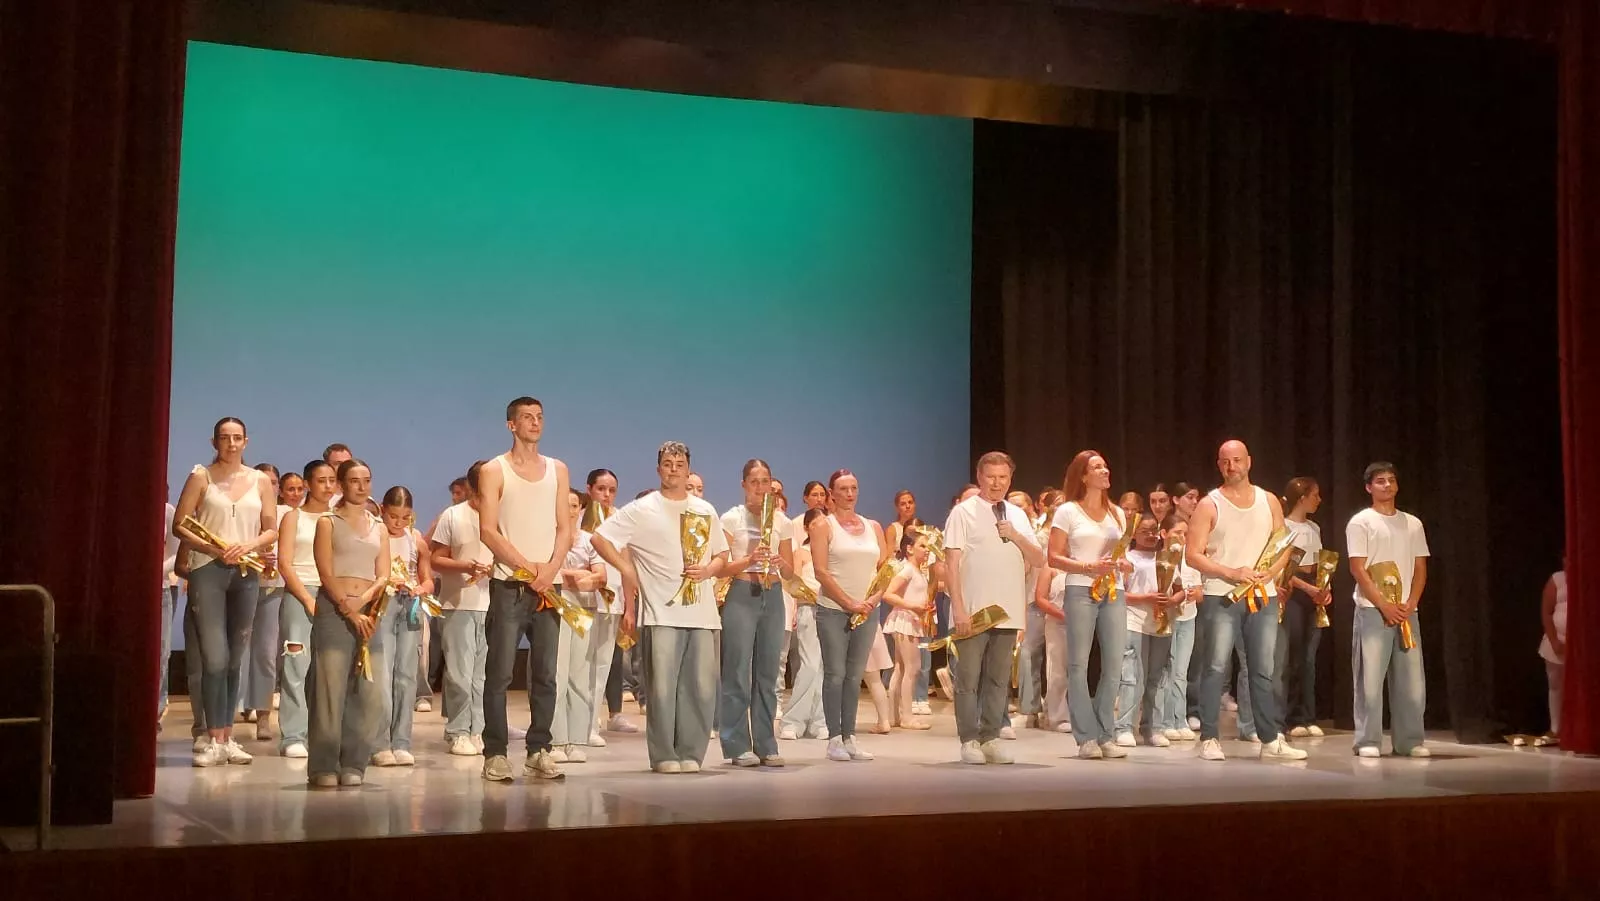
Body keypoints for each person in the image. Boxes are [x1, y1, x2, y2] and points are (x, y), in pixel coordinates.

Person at [592, 441, 730, 774]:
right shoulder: (643, 509)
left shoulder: (704, 509)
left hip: (702, 614)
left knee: (701, 688)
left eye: (679, 464)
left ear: (688, 469)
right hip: (661, 612)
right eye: (668, 464)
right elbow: (600, 538)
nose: (673, 470)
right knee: (663, 688)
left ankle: (691, 752)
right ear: (658, 470)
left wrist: (709, 570)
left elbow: (722, 554)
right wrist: (626, 570)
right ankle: (664, 753)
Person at [1186, 440, 1305, 762]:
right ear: (1219, 465)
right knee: (1215, 666)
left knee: (1264, 669)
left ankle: (1270, 738)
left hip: (1262, 596)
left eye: (1237, 460)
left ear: (1249, 462)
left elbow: (1283, 544)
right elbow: (1193, 554)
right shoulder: (1209, 504)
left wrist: (1272, 573)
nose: (1232, 466)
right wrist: (1231, 572)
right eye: (1226, 461)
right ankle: (1209, 737)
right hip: (1220, 595)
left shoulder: (1269, 500)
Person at [477, 396, 574, 783]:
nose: (535, 423)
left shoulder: (557, 469)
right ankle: (496, 753)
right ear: (511, 425)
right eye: (527, 417)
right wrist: (526, 568)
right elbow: (488, 530)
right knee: (500, 673)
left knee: (546, 673)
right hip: (509, 586)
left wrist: (550, 569)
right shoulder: (494, 469)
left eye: (539, 417)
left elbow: (565, 528)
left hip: (548, 586)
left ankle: (539, 750)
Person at [173, 417, 278, 767]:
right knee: (215, 657)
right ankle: (212, 736)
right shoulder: (201, 476)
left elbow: (271, 530)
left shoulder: (260, 481)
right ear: (214, 442)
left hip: (247, 571)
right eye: (224, 438)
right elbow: (180, 524)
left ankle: (228, 737)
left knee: (235, 657)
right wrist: (215, 549)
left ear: (246, 442)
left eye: (237, 438)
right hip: (208, 569)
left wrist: (247, 546)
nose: (231, 444)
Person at [946, 452, 1043, 764]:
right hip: (974, 610)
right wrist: (958, 608)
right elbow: (951, 563)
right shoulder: (963, 512)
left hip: (1008, 611)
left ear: (1010, 479)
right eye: (991, 477)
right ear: (979, 477)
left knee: (999, 680)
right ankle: (969, 740)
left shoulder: (1017, 515)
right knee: (968, 678)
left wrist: (1014, 535)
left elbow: (1038, 559)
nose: (997, 483)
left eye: (1003, 477)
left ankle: (990, 737)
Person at [307, 459, 390, 787]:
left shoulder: (378, 526)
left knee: (369, 690)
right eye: (354, 481)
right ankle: (324, 765)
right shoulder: (328, 522)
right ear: (341, 485)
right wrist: (347, 607)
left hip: (370, 610)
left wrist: (364, 601)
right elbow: (325, 571)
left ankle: (354, 762)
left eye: (366, 480)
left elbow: (383, 573)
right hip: (334, 609)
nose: (362, 486)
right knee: (329, 689)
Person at [1049, 450, 1133, 760]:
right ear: (1083, 476)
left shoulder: (1117, 513)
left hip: (1114, 590)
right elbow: (1053, 557)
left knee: (1114, 663)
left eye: (1105, 466)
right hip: (1081, 589)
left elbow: (1122, 553)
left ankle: (1105, 732)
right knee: (1078, 664)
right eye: (1097, 467)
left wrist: (1124, 564)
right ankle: (1086, 736)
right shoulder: (1068, 511)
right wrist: (1087, 567)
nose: (1104, 471)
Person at [1347, 461, 1430, 758]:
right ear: (1369, 487)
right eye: (1380, 481)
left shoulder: (1413, 523)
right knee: (1370, 679)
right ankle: (1368, 741)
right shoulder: (1361, 522)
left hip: (1406, 611)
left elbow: (1420, 568)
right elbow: (1358, 568)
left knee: (1411, 681)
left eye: (1391, 480)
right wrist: (1383, 604)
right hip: (1373, 609)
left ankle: (1409, 740)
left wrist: (1412, 602)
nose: (1387, 485)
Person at [718, 459, 794, 767]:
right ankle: (736, 744)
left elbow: (790, 572)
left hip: (772, 595)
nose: (760, 488)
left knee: (768, 671)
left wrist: (779, 562)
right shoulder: (731, 519)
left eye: (765, 482)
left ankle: (766, 742)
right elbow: (721, 567)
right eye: (754, 482)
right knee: (737, 669)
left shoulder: (781, 521)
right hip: (742, 593)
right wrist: (749, 559)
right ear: (744, 485)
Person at [810, 469, 889, 762]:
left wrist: (872, 600)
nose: (850, 493)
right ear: (832, 493)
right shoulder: (822, 525)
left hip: (866, 611)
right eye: (843, 489)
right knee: (836, 674)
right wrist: (848, 602)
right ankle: (834, 738)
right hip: (833, 610)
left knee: (855, 676)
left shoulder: (873, 526)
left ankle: (850, 737)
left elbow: (885, 569)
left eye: (854, 487)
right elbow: (821, 571)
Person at [429, 460, 493, 757]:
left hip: (492, 604)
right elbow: (435, 559)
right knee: (459, 673)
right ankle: (458, 730)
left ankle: (477, 728)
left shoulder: (500, 516)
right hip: (457, 603)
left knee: (482, 674)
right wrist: (465, 566)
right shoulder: (453, 516)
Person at [276, 460, 335, 759]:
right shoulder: (293, 517)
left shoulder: (338, 518)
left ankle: (323, 734)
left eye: (332, 480)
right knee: (296, 664)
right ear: (308, 484)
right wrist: (308, 599)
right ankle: (293, 735)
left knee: (328, 669)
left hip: (333, 594)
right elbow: (284, 563)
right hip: (300, 593)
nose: (328, 486)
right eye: (321, 481)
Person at [370, 486, 431, 767]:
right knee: (382, 674)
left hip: (409, 606)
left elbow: (427, 579)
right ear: (383, 511)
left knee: (406, 674)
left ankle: (402, 741)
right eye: (393, 516)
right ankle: (380, 742)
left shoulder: (415, 539)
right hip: (382, 605)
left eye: (405, 517)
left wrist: (421, 588)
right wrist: (384, 582)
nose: (398, 522)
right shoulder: (374, 535)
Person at [1113, 517, 1183, 747]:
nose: (1151, 535)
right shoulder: (1128, 558)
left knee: (1157, 678)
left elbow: (1180, 589)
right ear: (1134, 534)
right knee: (1132, 676)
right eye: (1145, 531)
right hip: (1134, 621)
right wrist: (1146, 598)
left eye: (1154, 531)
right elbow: (1119, 593)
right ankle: (1124, 726)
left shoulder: (1167, 558)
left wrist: (1172, 600)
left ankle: (1153, 727)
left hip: (1161, 623)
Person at [551, 488, 609, 763]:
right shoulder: (549, 538)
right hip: (556, 606)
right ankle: (555, 739)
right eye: (566, 505)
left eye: (575, 506)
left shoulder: (589, 540)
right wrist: (579, 574)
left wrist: (579, 576)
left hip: (584, 609)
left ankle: (575, 739)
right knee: (557, 674)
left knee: (580, 675)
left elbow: (600, 576)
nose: (571, 510)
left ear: (581, 509)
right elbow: (549, 572)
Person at [584, 468, 636, 741]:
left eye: (612, 490)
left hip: (612, 599)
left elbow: (626, 566)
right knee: (583, 662)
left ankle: (596, 721)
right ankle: (580, 720)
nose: (606, 495)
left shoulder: (620, 521)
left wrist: (630, 606)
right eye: (601, 489)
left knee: (605, 662)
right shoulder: (579, 518)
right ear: (589, 489)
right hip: (581, 599)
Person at [1279, 477, 1332, 738]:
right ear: (1302, 498)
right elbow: (1283, 569)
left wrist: (1324, 588)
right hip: (1294, 590)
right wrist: (1308, 589)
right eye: (1315, 495)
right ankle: (1291, 718)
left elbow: (1321, 563)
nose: (1319, 500)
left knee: (1309, 657)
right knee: (1294, 656)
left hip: (1314, 587)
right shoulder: (1284, 527)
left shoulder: (1314, 527)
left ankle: (1309, 716)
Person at [240, 463, 289, 739]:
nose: (269, 486)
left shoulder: (285, 514)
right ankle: (235, 708)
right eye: (264, 481)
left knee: (266, 652)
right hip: (242, 582)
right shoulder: (245, 509)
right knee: (238, 649)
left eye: (274, 482)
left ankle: (263, 715)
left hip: (273, 586)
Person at [778, 507, 829, 741]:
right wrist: (798, 606)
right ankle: (793, 720)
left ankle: (820, 720)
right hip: (809, 609)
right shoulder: (801, 552)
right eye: (816, 524)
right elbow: (794, 582)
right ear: (807, 528)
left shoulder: (832, 552)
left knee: (824, 667)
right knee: (810, 665)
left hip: (832, 611)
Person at [1156, 515, 1203, 743]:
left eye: (1185, 534)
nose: (1182, 538)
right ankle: (1164, 721)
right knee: (1167, 670)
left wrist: (1194, 594)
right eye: (1177, 533)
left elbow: (1200, 592)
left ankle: (1180, 719)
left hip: (1188, 617)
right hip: (1167, 619)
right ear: (1164, 533)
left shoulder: (1191, 560)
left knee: (1181, 671)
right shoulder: (1160, 559)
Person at [882, 529, 933, 729]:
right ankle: (907, 716)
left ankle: (894, 715)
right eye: (922, 546)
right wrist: (913, 607)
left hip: (910, 620)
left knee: (901, 668)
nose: (927, 550)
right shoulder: (907, 570)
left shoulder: (916, 570)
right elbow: (888, 594)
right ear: (909, 548)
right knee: (911, 668)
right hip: (905, 620)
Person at [158, 494, 181, 731]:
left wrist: (156, 570)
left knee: (161, 651)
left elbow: (176, 552)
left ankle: (156, 708)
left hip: (162, 586)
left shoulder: (167, 511)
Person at [1540, 564, 1567, 744]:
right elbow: (1547, 612)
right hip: (1557, 643)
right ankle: (1556, 728)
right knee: (1556, 685)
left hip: (1580, 646)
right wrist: (1554, 640)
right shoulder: (1557, 579)